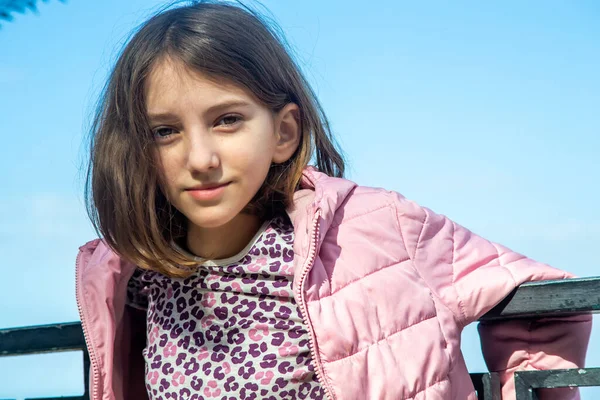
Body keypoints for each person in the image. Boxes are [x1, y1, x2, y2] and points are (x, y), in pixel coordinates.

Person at [77, 1, 591, 399]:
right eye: (165, 131)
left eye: (227, 119)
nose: (201, 157)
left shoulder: (379, 226)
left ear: (282, 132)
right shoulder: (134, 272)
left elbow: (548, 302)